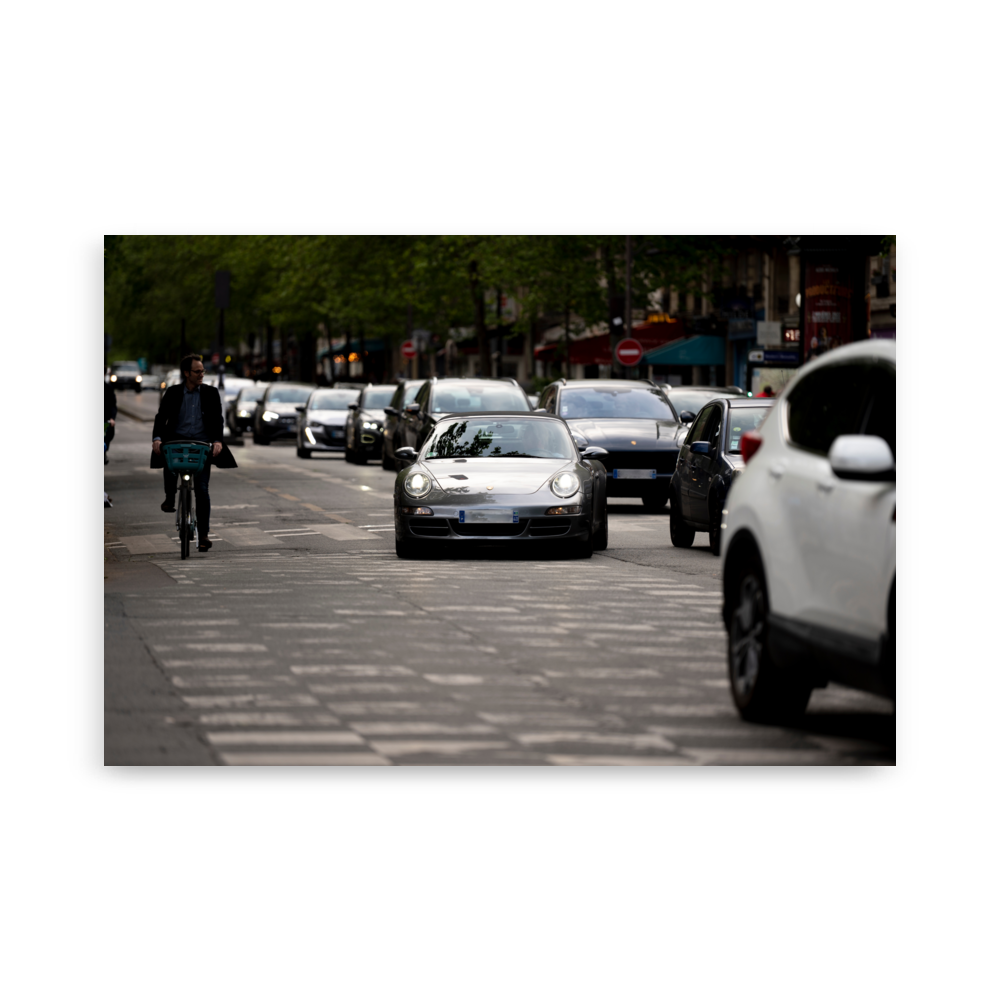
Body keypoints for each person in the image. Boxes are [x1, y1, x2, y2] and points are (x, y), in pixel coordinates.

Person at [151, 355, 238, 553]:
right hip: (176, 442)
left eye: (203, 371)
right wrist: (157, 438)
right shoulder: (172, 392)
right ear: (186, 373)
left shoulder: (211, 393)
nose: (201, 375)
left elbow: (217, 419)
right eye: (197, 371)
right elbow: (161, 417)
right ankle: (170, 497)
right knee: (168, 458)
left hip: (201, 446)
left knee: (202, 490)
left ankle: (204, 535)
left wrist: (217, 441)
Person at [104, 369, 117, 464]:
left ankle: (104, 452)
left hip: (105, 419)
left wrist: (112, 418)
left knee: (107, 435)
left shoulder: (108, 388)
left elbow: (112, 405)